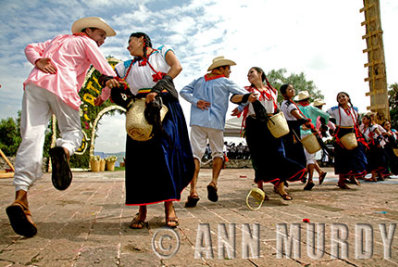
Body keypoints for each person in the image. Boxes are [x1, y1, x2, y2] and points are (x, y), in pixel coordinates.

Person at [6, 17, 117, 238]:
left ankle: (21, 198)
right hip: (61, 85)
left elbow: (30, 47)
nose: (102, 40)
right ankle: (63, 151)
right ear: (88, 31)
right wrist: (106, 91)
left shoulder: (57, 39)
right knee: (73, 132)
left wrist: (37, 60)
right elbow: (104, 68)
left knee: (31, 138)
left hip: (35, 84)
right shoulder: (87, 43)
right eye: (101, 35)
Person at [96, 32, 194, 228]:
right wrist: (107, 85)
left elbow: (177, 67)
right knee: (138, 159)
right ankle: (142, 210)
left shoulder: (162, 52)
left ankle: (169, 206)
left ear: (142, 40)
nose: (127, 47)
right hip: (138, 111)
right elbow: (105, 75)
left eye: (130, 42)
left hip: (164, 106)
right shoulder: (126, 66)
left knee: (165, 152)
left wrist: (156, 90)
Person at [180, 56, 255, 207]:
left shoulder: (199, 80)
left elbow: (183, 91)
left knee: (195, 155)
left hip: (197, 121)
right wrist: (240, 108)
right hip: (216, 122)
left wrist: (196, 101)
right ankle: (214, 182)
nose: (230, 71)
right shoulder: (226, 82)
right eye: (228, 68)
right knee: (218, 153)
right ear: (220, 68)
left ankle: (193, 191)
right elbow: (248, 96)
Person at [238, 67, 307, 200]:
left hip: (271, 124)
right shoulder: (246, 90)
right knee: (258, 156)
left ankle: (280, 187)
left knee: (278, 153)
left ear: (260, 74)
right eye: (247, 74)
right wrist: (243, 101)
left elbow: (275, 108)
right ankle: (260, 188)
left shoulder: (273, 91)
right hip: (254, 124)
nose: (248, 75)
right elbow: (235, 98)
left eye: (251, 72)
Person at [327, 92, 367, 189]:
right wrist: (332, 127)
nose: (341, 98)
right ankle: (341, 181)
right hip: (341, 133)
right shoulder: (334, 109)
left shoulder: (355, 109)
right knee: (342, 156)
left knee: (355, 154)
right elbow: (324, 116)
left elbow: (357, 121)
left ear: (348, 98)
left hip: (352, 133)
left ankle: (352, 176)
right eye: (339, 97)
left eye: (343, 96)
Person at [294, 91, 330, 190]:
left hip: (298, 134)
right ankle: (310, 179)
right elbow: (326, 116)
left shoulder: (297, 108)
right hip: (310, 134)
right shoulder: (312, 108)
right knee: (310, 158)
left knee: (300, 157)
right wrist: (324, 124)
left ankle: (303, 177)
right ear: (308, 100)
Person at [360, 113, 389, 181]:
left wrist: (379, 142)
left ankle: (378, 175)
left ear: (369, 120)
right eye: (363, 119)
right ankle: (374, 176)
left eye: (365, 119)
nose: (363, 120)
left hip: (375, 145)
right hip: (369, 145)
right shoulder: (363, 128)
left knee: (377, 160)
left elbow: (380, 134)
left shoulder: (373, 127)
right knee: (371, 160)